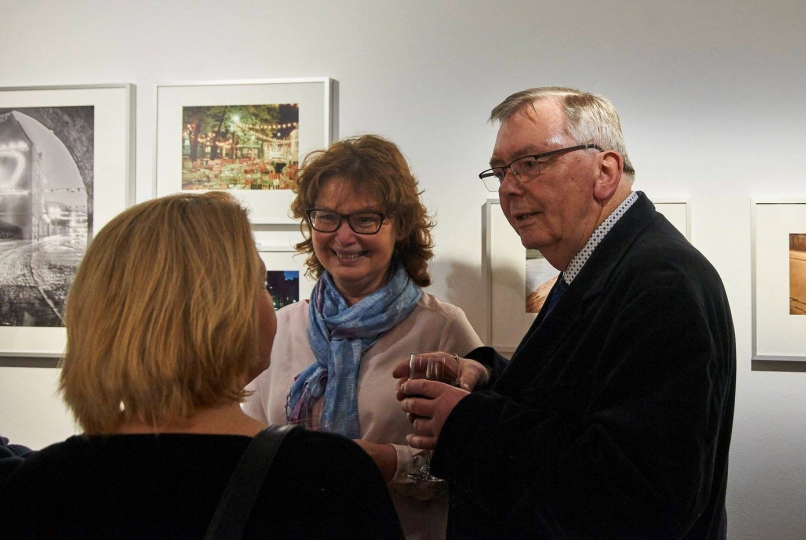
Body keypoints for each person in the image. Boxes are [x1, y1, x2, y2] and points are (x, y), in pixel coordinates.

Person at [396, 87, 737, 538]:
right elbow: (578, 400)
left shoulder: (660, 282)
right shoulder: (603, 263)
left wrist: (466, 424)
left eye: (530, 163)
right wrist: (487, 376)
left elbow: (638, 499)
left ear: (605, 171)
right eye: (500, 171)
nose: (509, 187)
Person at [0, 193, 403, 539]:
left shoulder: (40, 484)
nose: (269, 302)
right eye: (259, 285)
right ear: (225, 313)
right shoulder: (326, 478)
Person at [242, 134, 483, 539]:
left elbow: (475, 463)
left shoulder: (442, 328)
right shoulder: (281, 327)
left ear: (399, 225)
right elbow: (250, 448)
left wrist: (390, 462)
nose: (344, 236)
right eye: (327, 217)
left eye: (365, 219)